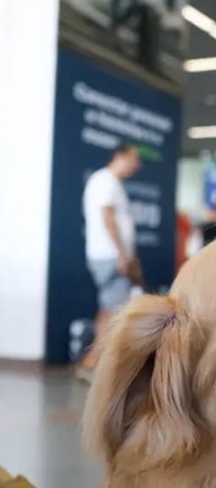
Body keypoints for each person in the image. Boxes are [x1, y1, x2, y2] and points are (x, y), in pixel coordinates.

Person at [78, 142, 142, 383]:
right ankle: (93, 364)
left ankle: (93, 363)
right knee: (115, 313)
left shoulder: (112, 184)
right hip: (109, 257)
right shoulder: (104, 181)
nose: (137, 165)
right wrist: (121, 254)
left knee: (107, 312)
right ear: (120, 156)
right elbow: (108, 218)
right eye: (134, 159)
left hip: (113, 256)